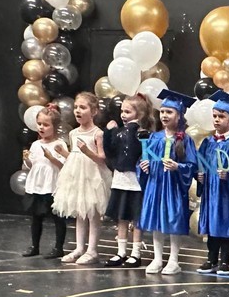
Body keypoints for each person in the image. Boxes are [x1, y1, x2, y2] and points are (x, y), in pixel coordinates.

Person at [139, 89, 198, 275]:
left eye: (169, 112)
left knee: (173, 220)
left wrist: (178, 167)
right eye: (162, 111)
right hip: (156, 184)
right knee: (156, 220)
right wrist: (144, 166)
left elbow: (192, 165)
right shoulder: (154, 137)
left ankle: (173, 260)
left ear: (179, 115)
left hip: (173, 186)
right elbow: (144, 159)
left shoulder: (185, 140)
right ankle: (157, 259)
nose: (164, 115)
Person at [53, 92, 112, 265]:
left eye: (83, 107)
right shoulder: (73, 133)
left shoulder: (97, 133)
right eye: (76, 107)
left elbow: (102, 158)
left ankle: (92, 249)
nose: (78, 111)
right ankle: (79, 248)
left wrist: (87, 151)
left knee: (93, 213)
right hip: (77, 176)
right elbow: (74, 155)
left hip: (93, 176)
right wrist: (63, 153)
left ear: (93, 111)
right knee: (80, 212)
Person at [196, 91, 229, 276]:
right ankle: (211, 259)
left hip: (226, 193)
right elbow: (200, 164)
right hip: (211, 191)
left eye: (221, 116)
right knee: (211, 224)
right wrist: (199, 176)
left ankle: (225, 260)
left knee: (225, 224)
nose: (217, 120)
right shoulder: (207, 142)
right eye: (215, 116)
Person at [103, 93, 153, 267]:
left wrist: (133, 127)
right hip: (120, 178)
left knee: (136, 217)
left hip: (135, 180)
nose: (123, 115)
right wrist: (108, 132)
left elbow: (141, 152)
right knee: (121, 216)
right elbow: (109, 151)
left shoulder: (141, 133)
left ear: (139, 114)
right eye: (122, 111)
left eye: (128, 112)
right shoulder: (118, 132)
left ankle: (136, 253)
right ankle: (121, 252)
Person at [21, 104, 69, 259]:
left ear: (54, 127)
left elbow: (64, 165)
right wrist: (27, 159)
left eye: (46, 125)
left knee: (58, 218)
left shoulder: (59, 144)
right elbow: (33, 165)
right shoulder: (36, 145)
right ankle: (34, 246)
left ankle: (58, 247)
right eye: (39, 124)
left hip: (52, 185)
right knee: (36, 217)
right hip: (37, 185)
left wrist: (51, 157)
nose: (41, 127)